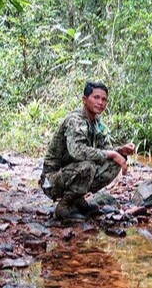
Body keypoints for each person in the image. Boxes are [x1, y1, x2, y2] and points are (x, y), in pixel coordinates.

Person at [40, 82, 135, 221]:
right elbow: (77, 152)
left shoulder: (96, 122)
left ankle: (78, 199)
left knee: (116, 160)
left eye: (104, 99)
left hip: (71, 172)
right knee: (88, 165)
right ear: (85, 100)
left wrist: (120, 150)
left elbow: (103, 150)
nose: (100, 102)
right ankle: (64, 206)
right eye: (96, 97)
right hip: (51, 180)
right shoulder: (75, 120)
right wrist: (112, 153)